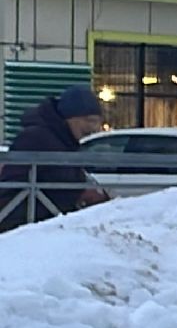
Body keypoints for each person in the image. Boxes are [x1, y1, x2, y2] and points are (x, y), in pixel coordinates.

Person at [0, 85, 108, 232]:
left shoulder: (65, 141)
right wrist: (76, 194)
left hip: (46, 225)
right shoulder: (36, 138)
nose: (95, 128)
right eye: (89, 120)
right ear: (70, 117)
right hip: (26, 228)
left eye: (97, 122)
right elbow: (13, 187)